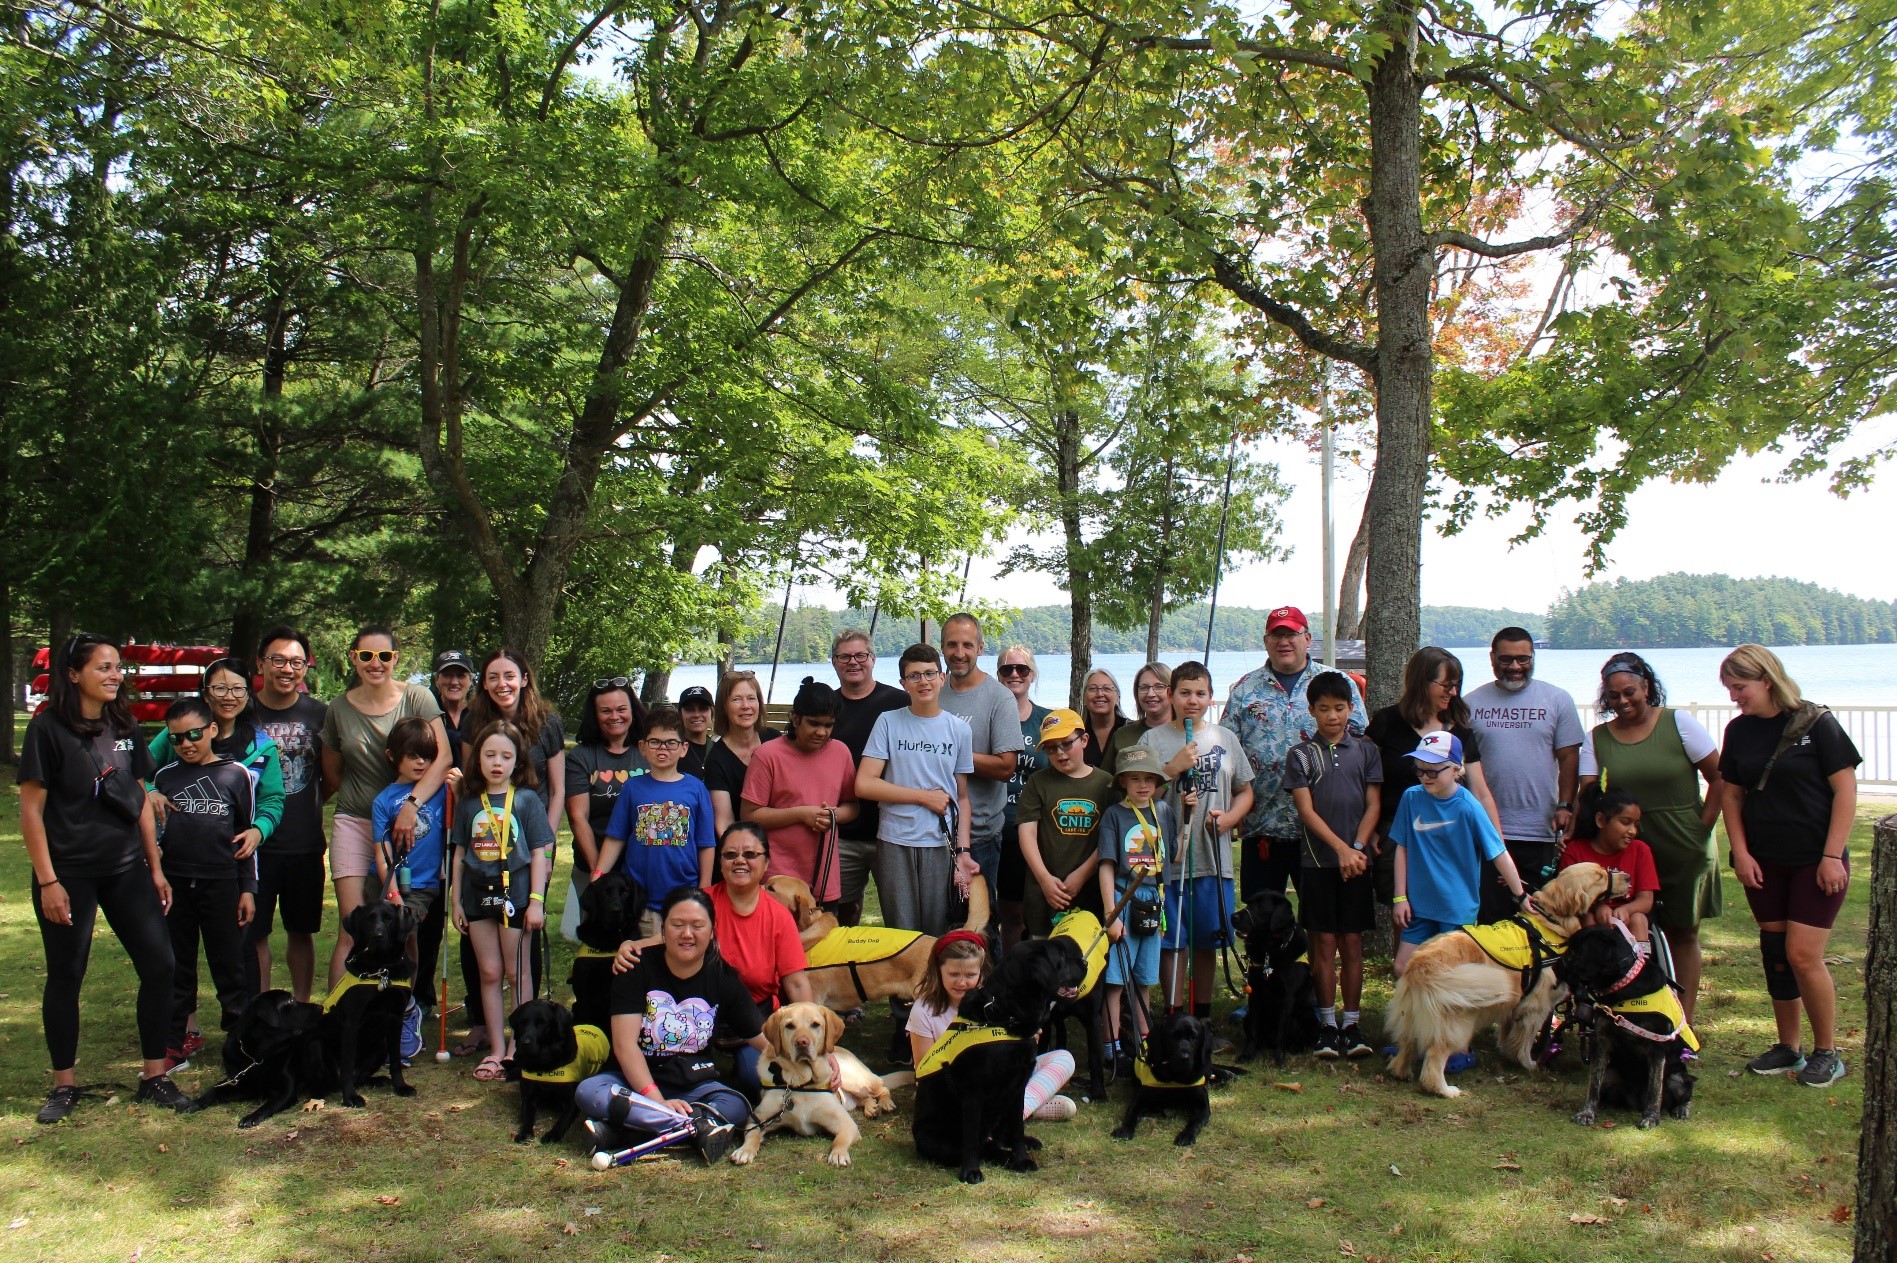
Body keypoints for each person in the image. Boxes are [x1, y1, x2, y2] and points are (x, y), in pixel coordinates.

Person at [20, 633, 183, 1120]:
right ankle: (63, 1085)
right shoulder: (47, 728)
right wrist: (49, 881)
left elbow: (138, 801)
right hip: (68, 872)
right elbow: (31, 812)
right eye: (103, 668)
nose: (115, 676)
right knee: (67, 974)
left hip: (127, 868)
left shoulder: (125, 726)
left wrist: (155, 868)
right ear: (73, 674)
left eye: (118, 668)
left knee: (160, 965)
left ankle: (154, 1075)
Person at [1718, 644, 1860, 1087]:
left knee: (1802, 955)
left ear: (1765, 679)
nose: (1734, 697)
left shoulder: (1817, 724)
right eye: (1728, 689)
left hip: (1815, 862)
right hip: (1764, 861)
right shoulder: (1738, 732)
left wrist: (1832, 855)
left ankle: (1827, 1052)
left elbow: (1846, 791)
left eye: (1739, 687)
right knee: (1776, 955)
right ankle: (1788, 1047)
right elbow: (1732, 795)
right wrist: (1740, 852)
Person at [145, 655, 284, 1051]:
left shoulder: (259, 745)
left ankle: (243, 1036)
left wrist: (259, 830)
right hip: (179, 867)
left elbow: (272, 800)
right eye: (219, 688)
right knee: (179, 955)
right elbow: (136, 769)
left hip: (231, 865)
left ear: (248, 692)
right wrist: (150, 790)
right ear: (205, 693)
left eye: (237, 688)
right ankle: (181, 1033)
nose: (228, 696)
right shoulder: (179, 734)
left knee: (234, 957)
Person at [1577, 652, 1723, 1023]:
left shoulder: (1679, 724)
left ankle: (1683, 1025)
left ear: (1646, 687)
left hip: (1681, 846)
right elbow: (1589, 793)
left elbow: (1720, 777)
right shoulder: (1598, 738)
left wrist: (1700, 828)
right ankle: (1628, 1012)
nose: (1623, 701)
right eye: (1614, 696)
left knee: (1682, 933)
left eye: (1630, 692)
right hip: (1624, 848)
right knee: (1618, 927)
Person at [576, 888, 764, 1165]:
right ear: (663, 930)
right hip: (635, 1083)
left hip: (694, 1086)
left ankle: (622, 1130)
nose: (687, 933)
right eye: (677, 925)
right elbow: (624, 1045)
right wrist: (656, 1099)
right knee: (590, 1091)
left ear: (712, 932)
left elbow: (762, 1038)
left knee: (736, 1104)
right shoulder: (635, 968)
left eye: (698, 926)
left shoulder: (722, 977)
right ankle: (694, 1129)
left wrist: (822, 1062)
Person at [320, 627, 452, 988]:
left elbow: (442, 759)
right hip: (356, 821)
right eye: (366, 656)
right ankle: (338, 1011)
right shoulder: (338, 708)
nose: (375, 664)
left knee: (403, 926)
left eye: (383, 656)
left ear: (395, 658)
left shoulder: (418, 698)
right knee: (352, 926)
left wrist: (411, 804)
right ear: (354, 658)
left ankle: (404, 1012)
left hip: (409, 823)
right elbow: (331, 771)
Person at [1225, 606, 1366, 900]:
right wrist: (1231, 808)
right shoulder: (1244, 690)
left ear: (1307, 638)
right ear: (1266, 641)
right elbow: (1227, 751)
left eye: (1291, 634)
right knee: (1261, 919)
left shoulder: (1338, 684)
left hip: (1324, 828)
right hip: (1263, 825)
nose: (1283, 642)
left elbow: (1360, 744)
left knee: (1322, 923)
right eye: (1276, 635)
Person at [1140, 660, 1254, 1018]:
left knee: (1209, 940)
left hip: (1212, 856)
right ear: (1171, 695)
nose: (1192, 700)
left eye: (1200, 693)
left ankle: (1201, 1015)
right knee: (1174, 941)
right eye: (1185, 692)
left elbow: (1245, 791)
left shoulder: (1225, 739)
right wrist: (1172, 768)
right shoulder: (1153, 739)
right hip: (1170, 858)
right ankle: (1174, 1014)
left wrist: (1230, 819)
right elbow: (1139, 795)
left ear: (1210, 698)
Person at [151, 698, 259, 1073]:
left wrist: (248, 888)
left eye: (194, 734)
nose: (187, 744)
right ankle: (174, 1042)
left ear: (212, 730)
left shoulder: (236, 775)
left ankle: (240, 1043)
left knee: (229, 967)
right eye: (177, 738)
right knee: (178, 966)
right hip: (176, 885)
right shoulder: (164, 777)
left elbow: (245, 836)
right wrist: (151, 793)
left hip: (222, 883)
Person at [1281, 671, 1382, 1059]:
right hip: (1318, 863)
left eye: (1339, 708)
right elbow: (1306, 811)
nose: (1333, 716)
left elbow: (1373, 804)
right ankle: (1326, 1024)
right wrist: (1340, 850)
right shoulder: (1302, 755)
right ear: (1312, 712)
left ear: (1351, 708)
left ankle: (1352, 1024)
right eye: (1324, 709)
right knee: (1323, 942)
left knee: (1352, 942)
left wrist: (1356, 849)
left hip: (1356, 863)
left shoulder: (1367, 751)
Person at [449, 720, 555, 1083]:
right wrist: (456, 899)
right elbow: (460, 852)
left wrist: (538, 900)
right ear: (477, 758)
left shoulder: (526, 800)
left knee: (517, 972)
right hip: (477, 897)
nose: (497, 763)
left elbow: (540, 852)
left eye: (506, 756)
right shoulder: (467, 802)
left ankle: (516, 1048)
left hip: (517, 896)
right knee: (490, 973)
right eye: (490, 754)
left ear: (517, 761)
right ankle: (496, 1048)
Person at [1367, 648, 1502, 917]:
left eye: (1456, 686)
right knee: (1405, 917)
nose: (1453, 693)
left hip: (1449, 837)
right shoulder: (1386, 722)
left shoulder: (1460, 730)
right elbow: (1365, 782)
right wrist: (1367, 829)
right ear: (1421, 682)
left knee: (1448, 916)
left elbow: (1480, 791)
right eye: (1446, 685)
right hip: (1397, 835)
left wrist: (1497, 845)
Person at [856, 643, 977, 937]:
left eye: (929, 673)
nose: (923, 681)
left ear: (942, 677)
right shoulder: (888, 722)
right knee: (902, 935)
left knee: (939, 933)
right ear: (903, 683)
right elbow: (864, 784)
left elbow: (962, 797)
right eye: (914, 676)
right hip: (895, 841)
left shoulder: (959, 730)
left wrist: (963, 852)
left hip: (939, 844)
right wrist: (922, 796)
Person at [1464, 628, 1585, 922]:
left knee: (1540, 918)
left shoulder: (1557, 699)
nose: (1515, 667)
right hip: (1487, 830)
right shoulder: (1470, 704)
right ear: (1492, 658)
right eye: (1506, 659)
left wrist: (1565, 805)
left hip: (1539, 830)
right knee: (1491, 919)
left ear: (1533, 657)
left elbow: (1569, 759)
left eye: (1523, 659)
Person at [1389, 732, 1526, 974]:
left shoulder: (1469, 806)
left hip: (1456, 909)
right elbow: (1402, 847)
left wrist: (1521, 895)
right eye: (1419, 769)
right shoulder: (1411, 798)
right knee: (1403, 968)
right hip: (1419, 905)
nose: (1424, 777)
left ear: (1455, 770)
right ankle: (1415, 1012)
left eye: (1432, 771)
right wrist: (1400, 897)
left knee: (1450, 972)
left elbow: (1498, 853)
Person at [907, 931, 1077, 1122]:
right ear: (938, 971)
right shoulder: (924, 1010)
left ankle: (1022, 1107)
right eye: (953, 974)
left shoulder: (994, 1003)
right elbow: (924, 1069)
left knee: (1063, 1058)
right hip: (959, 1088)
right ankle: (1025, 1108)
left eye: (970, 975)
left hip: (1003, 1079)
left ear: (981, 973)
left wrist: (1026, 1039)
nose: (962, 982)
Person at [249, 625, 327, 1002]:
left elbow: (331, 775)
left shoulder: (319, 714)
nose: (287, 669)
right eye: (277, 660)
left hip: (304, 843)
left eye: (297, 662)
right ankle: (260, 1008)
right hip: (254, 844)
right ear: (260, 664)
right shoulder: (242, 711)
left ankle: (301, 1006)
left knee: (301, 930)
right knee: (254, 931)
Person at [705, 822, 814, 1093]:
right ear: (720, 864)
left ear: (766, 864)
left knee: (758, 1081)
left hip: (756, 1019)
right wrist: (632, 946)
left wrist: (814, 1041)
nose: (740, 860)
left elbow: (797, 984)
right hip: (699, 1016)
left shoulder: (779, 916)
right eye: (730, 855)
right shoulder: (700, 904)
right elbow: (665, 943)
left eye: (750, 855)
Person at [595, 705, 718, 933]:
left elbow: (706, 843)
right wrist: (598, 874)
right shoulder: (633, 788)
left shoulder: (696, 789)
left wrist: (705, 887)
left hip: (685, 895)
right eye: (655, 742)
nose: (663, 749)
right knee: (645, 959)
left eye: (671, 742)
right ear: (642, 747)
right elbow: (616, 837)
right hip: (641, 898)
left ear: (683, 748)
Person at [371, 717, 450, 1058]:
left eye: (427, 756)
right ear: (393, 756)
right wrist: (390, 891)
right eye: (413, 755)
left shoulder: (440, 791)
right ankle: (396, 999)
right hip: (396, 885)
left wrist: (458, 787)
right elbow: (381, 848)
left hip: (425, 885)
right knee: (392, 940)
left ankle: (409, 1002)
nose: (421, 762)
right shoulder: (383, 801)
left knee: (407, 934)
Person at [741, 678, 859, 903]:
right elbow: (750, 815)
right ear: (795, 719)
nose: (822, 732)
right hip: (777, 880)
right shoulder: (768, 755)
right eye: (814, 724)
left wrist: (832, 816)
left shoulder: (840, 752)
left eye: (828, 725)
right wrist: (802, 814)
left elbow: (852, 806)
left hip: (824, 876)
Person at [1095, 746, 1177, 1069]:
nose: (1143, 785)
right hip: (1123, 900)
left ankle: (1145, 1040)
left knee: (1144, 977)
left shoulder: (1164, 812)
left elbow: (1169, 855)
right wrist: (1110, 913)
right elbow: (1106, 864)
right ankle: (1111, 1044)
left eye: (1149, 779)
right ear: (1123, 782)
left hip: (1152, 901)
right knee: (1115, 979)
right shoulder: (1115, 816)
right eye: (1135, 779)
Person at [938, 613, 1025, 906]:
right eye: (952, 645)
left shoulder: (998, 697)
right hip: (933, 831)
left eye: (967, 645)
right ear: (942, 647)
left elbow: (1005, 767)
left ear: (980, 648)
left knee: (979, 926)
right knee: (939, 922)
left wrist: (953, 754)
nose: (959, 653)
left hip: (980, 835)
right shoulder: (932, 693)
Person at [828, 629, 908, 923]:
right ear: (834, 662)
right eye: (844, 656)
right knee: (842, 913)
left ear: (873, 659)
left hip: (893, 830)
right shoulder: (827, 708)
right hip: (843, 833)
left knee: (900, 915)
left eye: (860, 655)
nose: (853, 662)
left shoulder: (901, 703)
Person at [1017, 708, 1115, 936]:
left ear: (1084, 740)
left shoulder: (1106, 783)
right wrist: (1044, 879)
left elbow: (1110, 839)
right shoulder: (1037, 782)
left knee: (1088, 958)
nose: (1060, 754)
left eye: (1067, 744)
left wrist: (1082, 874)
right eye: (1051, 748)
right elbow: (1027, 834)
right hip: (1044, 892)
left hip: (1090, 890)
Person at [564, 677, 650, 930]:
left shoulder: (647, 751)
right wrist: (598, 872)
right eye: (606, 711)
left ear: (633, 710)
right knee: (596, 936)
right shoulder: (582, 756)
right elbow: (578, 817)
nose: (615, 716)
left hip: (640, 866)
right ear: (595, 714)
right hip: (593, 860)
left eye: (621, 709)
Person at [465, 648, 566, 840]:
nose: (501, 684)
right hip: (487, 831)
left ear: (524, 680)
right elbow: (470, 781)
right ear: (485, 684)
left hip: (534, 834)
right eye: (493, 677)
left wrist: (547, 841)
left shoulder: (547, 722)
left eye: (509, 676)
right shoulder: (473, 721)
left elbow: (557, 790)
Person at [997, 644, 1050, 950]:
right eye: (1007, 669)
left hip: (1034, 829)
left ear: (1032, 675)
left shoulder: (1046, 721)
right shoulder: (988, 717)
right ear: (998, 675)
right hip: (994, 827)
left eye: (1022, 669)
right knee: (1007, 913)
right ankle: (1006, 971)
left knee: (1035, 911)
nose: (1014, 674)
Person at [1559, 783, 1658, 943]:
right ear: (1601, 820)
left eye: (1636, 825)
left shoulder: (1640, 850)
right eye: (1626, 822)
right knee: (1588, 919)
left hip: (1627, 922)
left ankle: (1640, 966)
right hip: (1588, 918)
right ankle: (1594, 965)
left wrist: (1626, 909)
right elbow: (1568, 897)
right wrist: (1597, 907)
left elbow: (1646, 899)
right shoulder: (1575, 851)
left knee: (1639, 919)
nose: (1632, 831)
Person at [704, 670, 781, 837]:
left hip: (784, 837)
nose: (745, 706)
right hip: (745, 846)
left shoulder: (775, 739)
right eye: (736, 699)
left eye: (751, 698)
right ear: (723, 706)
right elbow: (724, 822)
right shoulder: (717, 759)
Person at [1105, 661, 1173, 772]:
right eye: (1144, 688)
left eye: (1159, 687)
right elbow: (1107, 781)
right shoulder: (1122, 736)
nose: (1150, 694)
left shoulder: (1186, 733)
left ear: (1171, 692)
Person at [431, 649, 475, 767]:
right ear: (437, 679)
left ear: (471, 679)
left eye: (461, 675)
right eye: (447, 675)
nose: (454, 682)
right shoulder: (427, 713)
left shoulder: (481, 714)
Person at [1080, 669, 1127, 768]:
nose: (1099, 694)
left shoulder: (1130, 731)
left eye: (1107, 689)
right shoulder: (1076, 735)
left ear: (1118, 698)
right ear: (1084, 698)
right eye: (1092, 689)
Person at [676, 685, 715, 780]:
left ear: (712, 713)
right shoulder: (673, 750)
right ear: (680, 714)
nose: (696, 714)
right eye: (689, 709)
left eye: (703, 708)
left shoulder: (719, 749)